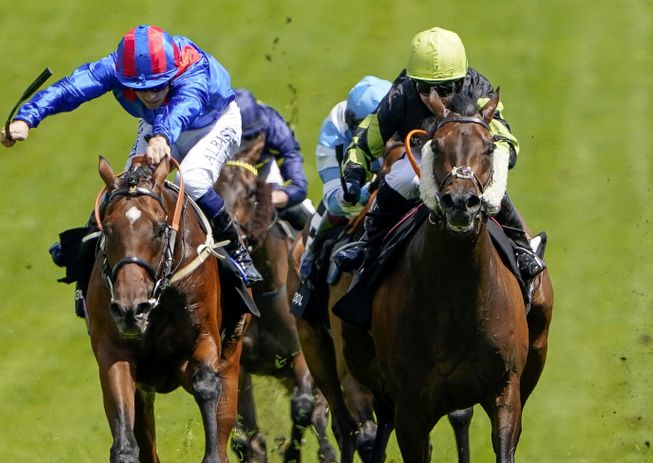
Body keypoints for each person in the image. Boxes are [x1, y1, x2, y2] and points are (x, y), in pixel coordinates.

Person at [2, 25, 263, 296]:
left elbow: (182, 108)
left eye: (159, 86)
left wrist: (162, 137)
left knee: (194, 181)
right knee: (126, 190)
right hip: (159, 127)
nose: (151, 95)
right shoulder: (116, 68)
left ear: (173, 74)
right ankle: (85, 259)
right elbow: (72, 88)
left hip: (213, 124)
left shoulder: (193, 70)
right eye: (142, 88)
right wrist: (27, 118)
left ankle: (237, 250)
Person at [331, 27, 545, 279]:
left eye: (445, 89)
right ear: (413, 82)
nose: (435, 99)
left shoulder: (477, 88)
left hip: (467, 156)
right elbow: (368, 136)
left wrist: (501, 156)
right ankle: (368, 243)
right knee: (402, 178)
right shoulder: (400, 94)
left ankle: (521, 247)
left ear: (461, 81)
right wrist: (355, 172)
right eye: (424, 89)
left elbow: (500, 131)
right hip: (424, 153)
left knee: (490, 189)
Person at [296, 75, 393, 284]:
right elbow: (335, 200)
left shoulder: (402, 111)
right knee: (335, 208)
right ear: (352, 124)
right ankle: (311, 257)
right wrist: (368, 189)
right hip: (348, 168)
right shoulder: (335, 132)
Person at [233, 88, 316, 230]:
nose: (245, 147)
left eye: (252, 137)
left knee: (309, 218)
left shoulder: (276, 128)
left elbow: (298, 185)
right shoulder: (209, 127)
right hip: (223, 172)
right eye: (241, 140)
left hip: (263, 172)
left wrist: (265, 199)